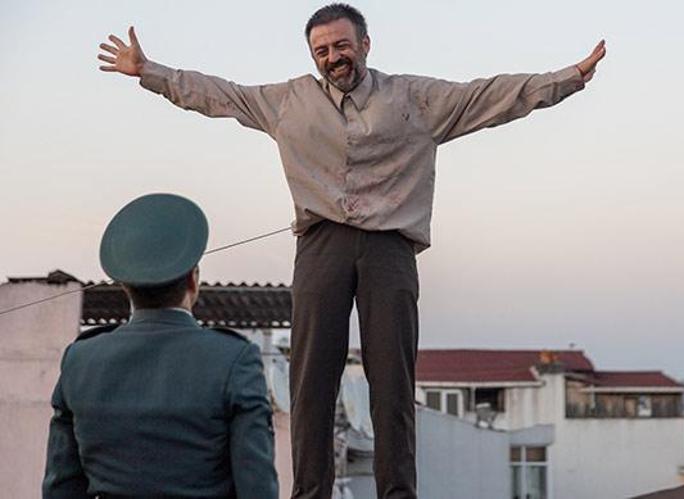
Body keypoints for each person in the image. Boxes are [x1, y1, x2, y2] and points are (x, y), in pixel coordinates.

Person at [97, 5, 606, 498]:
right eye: (321, 50)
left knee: (393, 384)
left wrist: (567, 78)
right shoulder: (289, 101)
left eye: (341, 45)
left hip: (390, 250)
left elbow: (490, 96)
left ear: (365, 44)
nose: (333, 57)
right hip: (321, 247)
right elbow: (219, 95)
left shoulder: (414, 98)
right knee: (311, 383)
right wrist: (149, 71)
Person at [42, 193, 278, 498]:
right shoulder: (234, 359)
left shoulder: (80, 360)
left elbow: (60, 488)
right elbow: (257, 488)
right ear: (193, 280)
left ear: (125, 286)